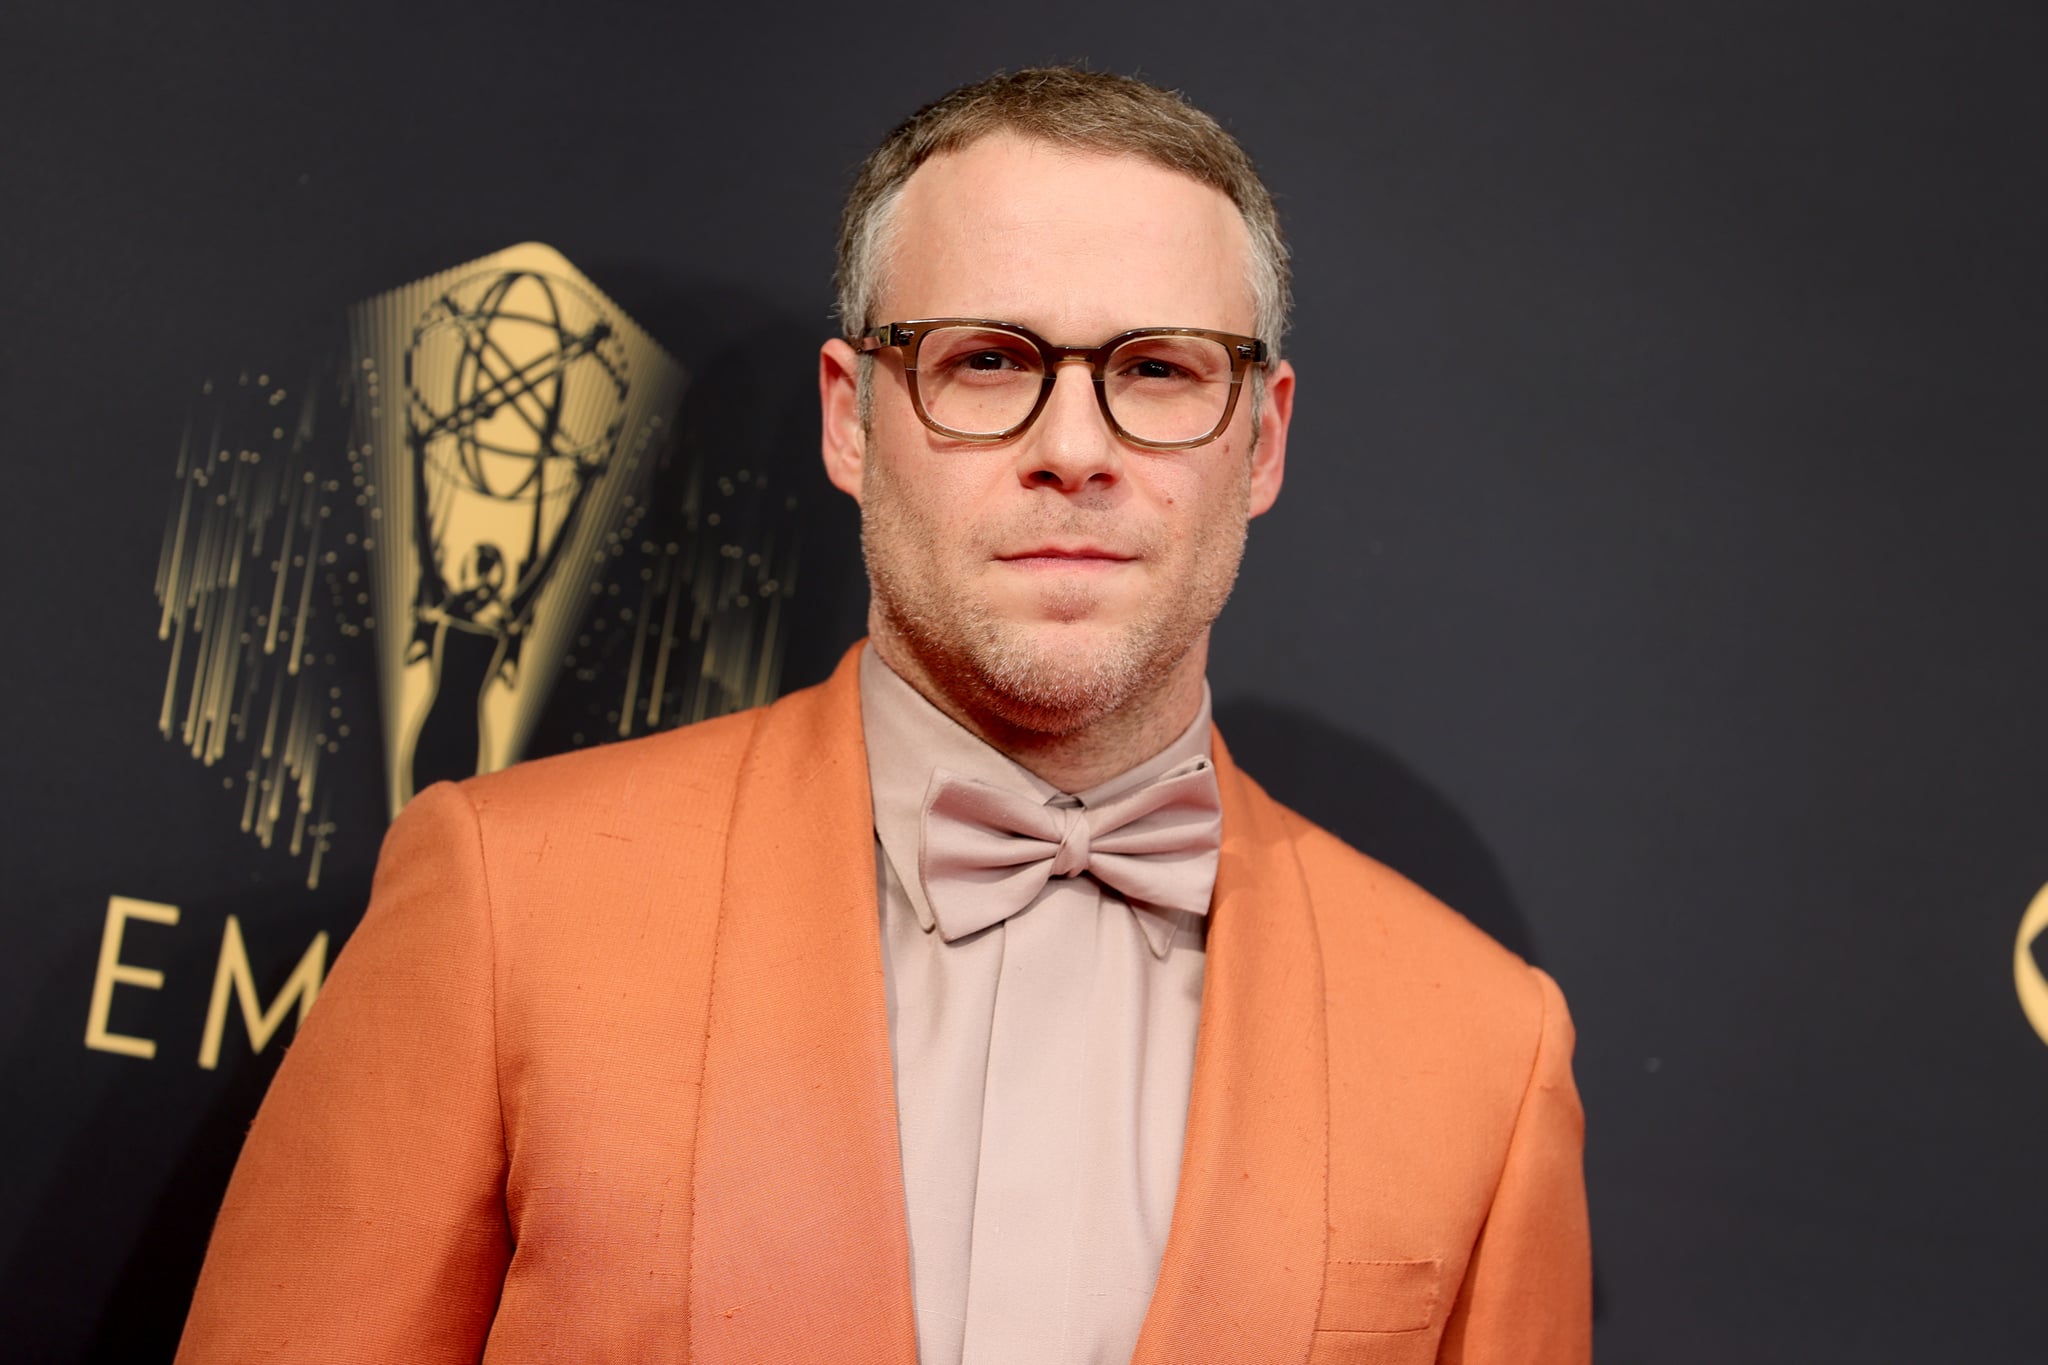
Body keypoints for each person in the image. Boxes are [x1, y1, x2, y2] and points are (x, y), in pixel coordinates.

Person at [178, 67, 1590, 1364]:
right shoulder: (504, 902)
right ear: (853, 418)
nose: (1075, 449)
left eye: (1158, 369)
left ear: (1262, 436)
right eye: (987, 361)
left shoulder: (1484, 1046)